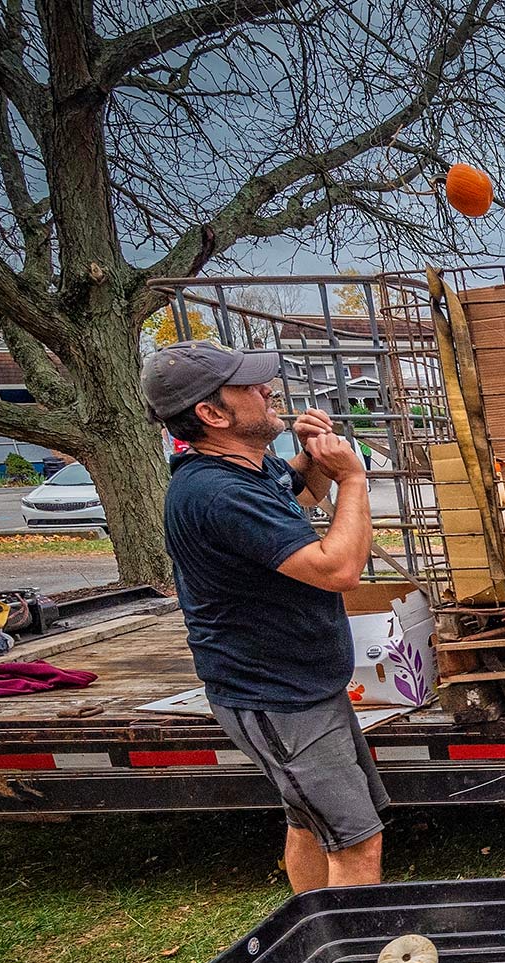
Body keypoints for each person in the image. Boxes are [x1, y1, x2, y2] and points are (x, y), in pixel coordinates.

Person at [140, 340, 385, 892]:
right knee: (356, 840)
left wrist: (315, 465)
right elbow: (338, 568)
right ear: (212, 414)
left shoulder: (246, 472)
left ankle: (317, 937)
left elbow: (292, 499)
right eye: (249, 386)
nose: (266, 389)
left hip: (299, 687)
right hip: (275, 696)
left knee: (311, 820)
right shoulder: (217, 493)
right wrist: (352, 480)